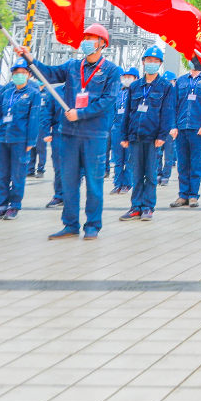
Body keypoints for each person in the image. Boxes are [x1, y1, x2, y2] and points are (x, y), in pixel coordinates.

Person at [17, 23, 122, 240]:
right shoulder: (73, 66)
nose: (86, 41)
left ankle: (92, 225)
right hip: (68, 134)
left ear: (102, 43)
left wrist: (81, 113)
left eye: (91, 38)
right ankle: (70, 224)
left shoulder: (112, 71)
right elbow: (48, 73)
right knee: (69, 181)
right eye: (85, 37)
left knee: (94, 182)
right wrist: (30, 59)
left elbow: (107, 101)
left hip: (94, 134)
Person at [118, 46, 175, 223]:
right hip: (135, 136)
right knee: (136, 173)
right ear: (143, 62)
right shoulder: (135, 86)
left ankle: (148, 207)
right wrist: (124, 136)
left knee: (150, 174)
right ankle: (136, 207)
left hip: (153, 138)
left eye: (156, 61)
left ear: (160, 64)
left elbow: (167, 113)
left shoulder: (165, 87)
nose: (152, 63)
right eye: (149, 60)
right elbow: (127, 112)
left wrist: (161, 136)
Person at [0, 60, 42, 220]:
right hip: (3, 138)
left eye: (23, 72)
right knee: (3, 174)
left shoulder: (33, 94)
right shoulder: (6, 93)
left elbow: (34, 119)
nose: (19, 75)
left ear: (29, 75)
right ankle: (1, 206)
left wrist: (31, 141)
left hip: (20, 139)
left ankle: (14, 206)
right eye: (16, 73)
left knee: (17, 175)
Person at [168, 57, 201, 208]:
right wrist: (173, 125)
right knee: (182, 163)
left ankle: (193, 195)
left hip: (198, 129)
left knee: (196, 163)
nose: (194, 61)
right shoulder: (181, 81)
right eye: (192, 58)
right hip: (181, 127)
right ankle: (183, 195)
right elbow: (173, 105)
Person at [110, 67, 136, 195]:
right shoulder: (118, 93)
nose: (126, 79)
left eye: (130, 77)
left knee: (129, 159)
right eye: (124, 77)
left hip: (130, 129)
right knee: (118, 158)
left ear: (136, 78)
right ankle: (117, 183)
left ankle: (127, 183)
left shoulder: (136, 92)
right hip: (117, 129)